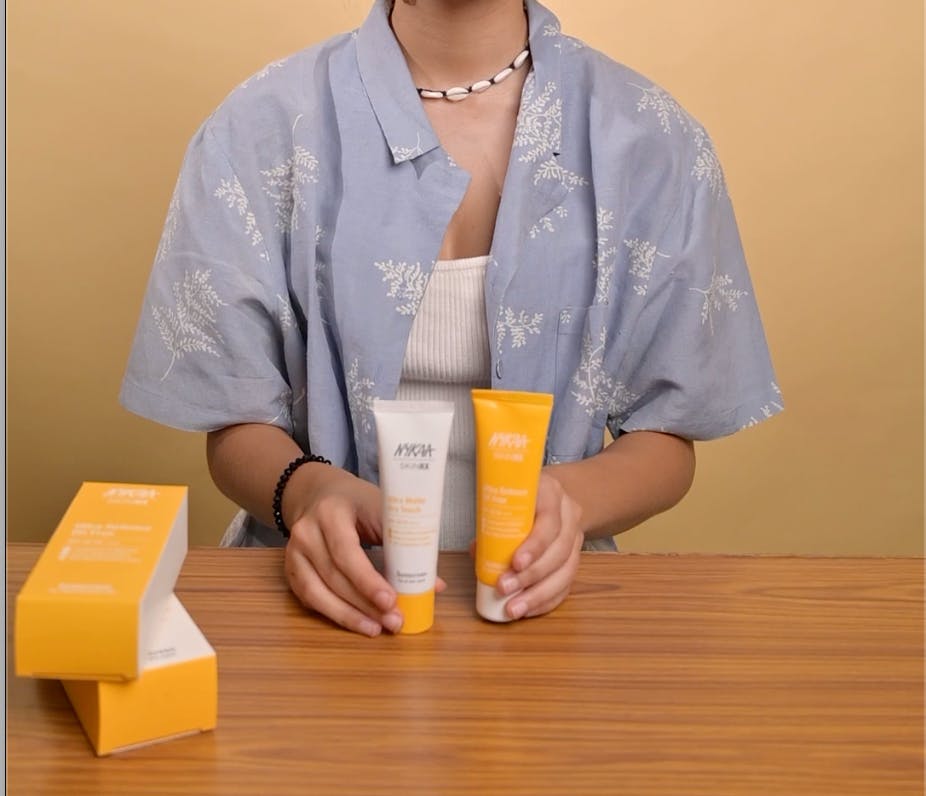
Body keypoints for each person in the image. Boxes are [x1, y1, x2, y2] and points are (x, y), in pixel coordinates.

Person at [121, 0, 782, 637]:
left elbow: (668, 437)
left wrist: (572, 499)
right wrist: (306, 492)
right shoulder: (258, 127)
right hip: (318, 607)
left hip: (545, 612)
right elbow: (234, 422)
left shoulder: (650, 139)